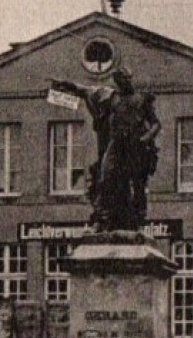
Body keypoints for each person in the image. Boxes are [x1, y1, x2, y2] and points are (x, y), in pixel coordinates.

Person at [49, 70, 161, 232]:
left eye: (130, 77)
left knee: (137, 183)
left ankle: (138, 221)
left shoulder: (142, 99)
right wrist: (65, 84)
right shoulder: (110, 97)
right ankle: (103, 219)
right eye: (124, 79)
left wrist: (146, 137)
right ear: (117, 81)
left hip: (136, 144)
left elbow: (156, 124)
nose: (128, 81)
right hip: (116, 143)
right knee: (105, 176)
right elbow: (84, 90)